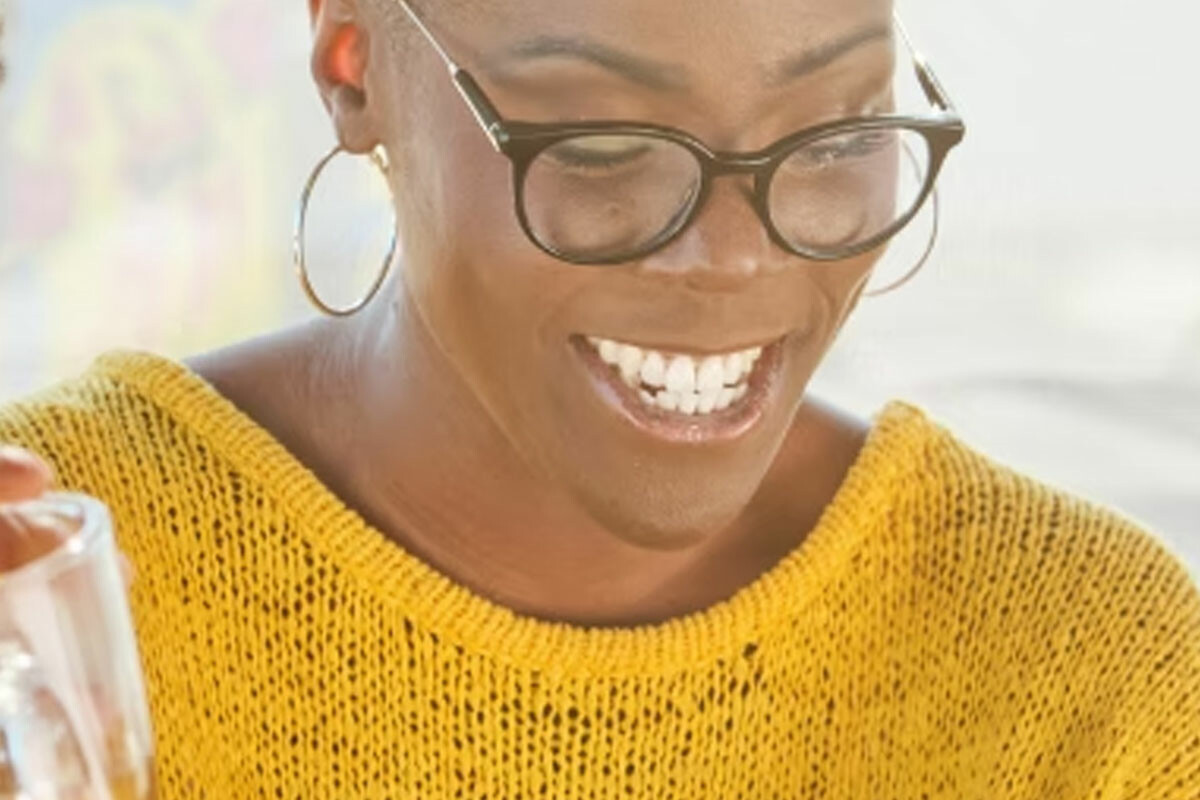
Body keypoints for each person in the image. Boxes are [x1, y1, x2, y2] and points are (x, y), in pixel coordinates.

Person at [1, 0, 1196, 796]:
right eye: (600, 144)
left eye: (838, 134)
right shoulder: (42, 591)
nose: (732, 258)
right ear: (352, 60)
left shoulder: (1095, 676)